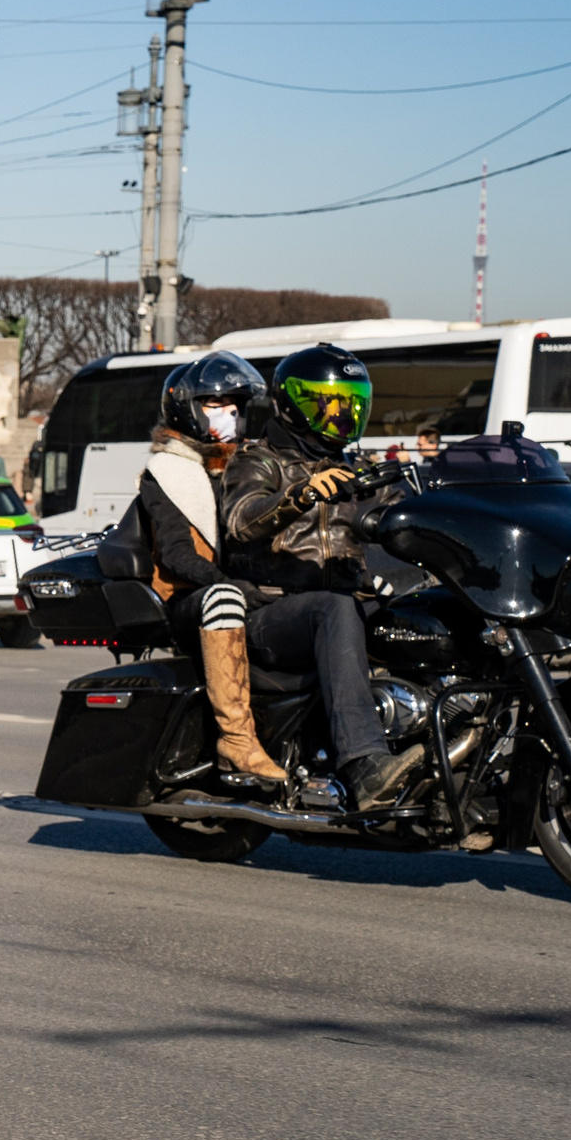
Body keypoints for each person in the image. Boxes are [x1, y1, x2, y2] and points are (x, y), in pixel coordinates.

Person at [221, 345, 423, 810]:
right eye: (327, 403)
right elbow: (240, 519)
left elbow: (403, 520)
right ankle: (364, 763)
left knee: (426, 615)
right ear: (293, 404)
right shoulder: (259, 460)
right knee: (334, 607)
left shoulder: (360, 470)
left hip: (343, 605)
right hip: (272, 611)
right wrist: (299, 495)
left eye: (349, 404)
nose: (340, 416)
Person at [133, 353, 284, 785]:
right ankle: (237, 738)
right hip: (185, 599)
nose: (230, 415)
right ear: (189, 409)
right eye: (217, 406)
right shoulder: (166, 472)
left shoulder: (241, 466)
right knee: (225, 598)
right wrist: (229, 583)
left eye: (236, 406)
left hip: (235, 588)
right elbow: (178, 557)